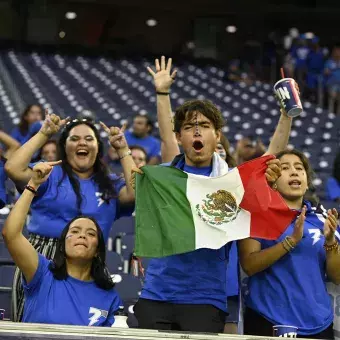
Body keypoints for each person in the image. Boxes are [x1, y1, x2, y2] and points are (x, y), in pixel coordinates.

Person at [131, 56, 284, 333]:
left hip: (204, 300)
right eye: (189, 127)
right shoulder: (167, 176)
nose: (197, 131)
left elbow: (271, 156)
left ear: (217, 135)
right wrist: (162, 93)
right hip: (156, 294)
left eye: (204, 125)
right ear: (181, 138)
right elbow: (165, 138)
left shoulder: (232, 182)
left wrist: (286, 117)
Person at [5, 114, 135, 321]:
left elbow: (137, 193)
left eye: (89, 138)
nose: (82, 142)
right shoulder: (50, 173)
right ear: (64, 147)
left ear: (98, 148)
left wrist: (121, 149)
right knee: (31, 323)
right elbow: (12, 168)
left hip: (89, 259)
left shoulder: (111, 183)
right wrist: (44, 133)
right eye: (74, 139)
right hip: (41, 259)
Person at [2, 161, 122, 326]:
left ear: (97, 250)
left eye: (91, 233)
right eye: (74, 231)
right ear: (63, 244)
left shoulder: (109, 296)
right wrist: (33, 184)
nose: (82, 236)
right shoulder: (41, 273)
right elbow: (11, 235)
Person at [239, 149, 340, 339]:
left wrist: (330, 241)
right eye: (285, 168)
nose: (294, 172)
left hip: (319, 324)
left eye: (299, 168)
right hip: (267, 321)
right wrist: (291, 241)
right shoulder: (257, 215)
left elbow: (337, 276)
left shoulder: (323, 219)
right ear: (273, 181)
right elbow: (249, 265)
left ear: (307, 181)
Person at [324, 45, 340, 114]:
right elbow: (325, 72)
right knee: (332, 100)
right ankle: (330, 116)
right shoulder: (329, 62)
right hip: (332, 85)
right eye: (336, 51)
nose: (337, 53)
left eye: (338, 52)